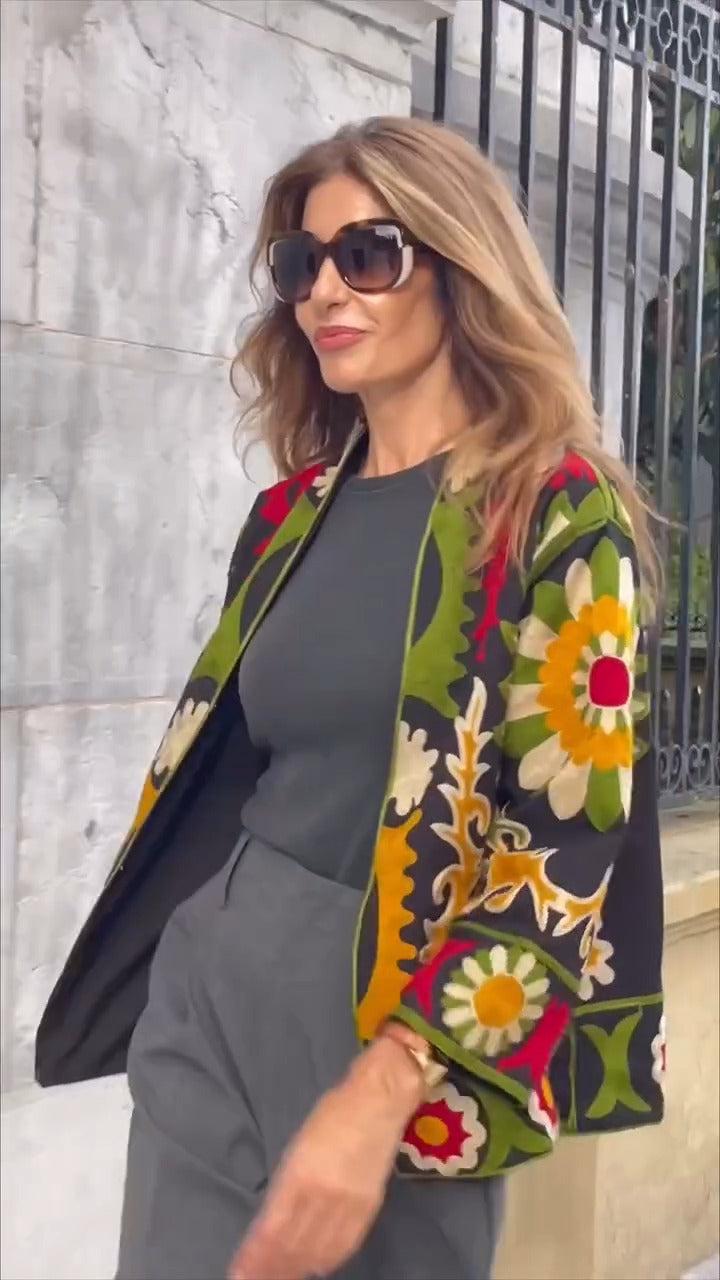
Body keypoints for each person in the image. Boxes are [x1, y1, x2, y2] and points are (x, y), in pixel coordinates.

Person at [35, 117, 665, 1280]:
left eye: (368, 254)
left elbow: (565, 840)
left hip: (407, 1013)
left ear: (459, 267)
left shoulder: (555, 513)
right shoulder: (289, 517)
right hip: (218, 977)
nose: (325, 289)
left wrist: (391, 1077)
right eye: (301, 262)